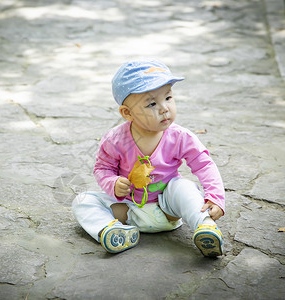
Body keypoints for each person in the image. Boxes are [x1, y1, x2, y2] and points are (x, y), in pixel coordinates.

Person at [72, 59, 225, 257]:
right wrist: (113, 183)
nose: (164, 108)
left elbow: (204, 165)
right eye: (152, 104)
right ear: (128, 113)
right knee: (82, 201)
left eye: (168, 98)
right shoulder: (115, 139)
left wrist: (215, 196)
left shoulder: (180, 136)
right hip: (128, 211)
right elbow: (102, 168)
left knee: (184, 187)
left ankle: (205, 226)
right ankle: (110, 231)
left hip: (168, 208)